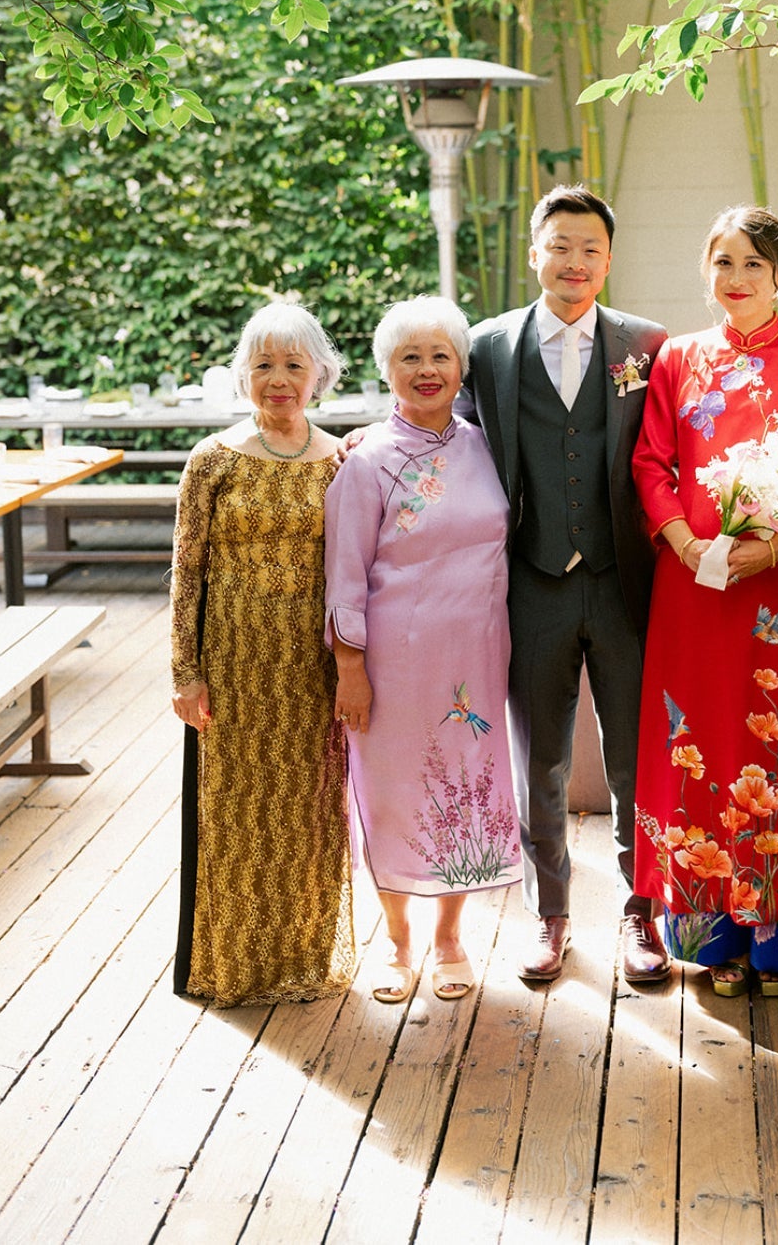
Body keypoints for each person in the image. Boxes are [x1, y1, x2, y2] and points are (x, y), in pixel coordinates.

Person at [631, 206, 778, 996]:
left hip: (776, 591)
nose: (737, 278)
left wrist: (775, 546)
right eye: (723, 262)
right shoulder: (677, 357)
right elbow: (651, 461)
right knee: (701, 738)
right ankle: (708, 935)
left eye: (753, 263)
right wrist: (684, 543)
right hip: (691, 586)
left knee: (769, 740)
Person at [464, 185, 671, 985]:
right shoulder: (486, 347)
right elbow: (444, 432)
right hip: (532, 579)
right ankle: (549, 915)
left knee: (635, 760)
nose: (575, 262)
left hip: (626, 582)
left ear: (608, 259)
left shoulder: (646, 345)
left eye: (590, 248)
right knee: (538, 757)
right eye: (560, 246)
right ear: (534, 252)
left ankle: (639, 913)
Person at [324, 296, 521, 1004]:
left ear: (462, 367)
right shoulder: (366, 462)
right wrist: (351, 668)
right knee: (393, 791)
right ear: (387, 370)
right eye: (410, 357)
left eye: (440, 355)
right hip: (393, 663)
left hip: (475, 656)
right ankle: (398, 941)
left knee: (464, 787)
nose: (427, 369)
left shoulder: (488, 445)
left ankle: (449, 938)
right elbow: (343, 576)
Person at [170, 302, 355, 1006]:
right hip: (235, 666)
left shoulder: (342, 459)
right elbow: (188, 573)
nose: (278, 380)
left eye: (293, 366)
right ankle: (234, 963)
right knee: (236, 814)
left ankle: (302, 957)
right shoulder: (212, 460)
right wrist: (185, 672)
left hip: (312, 668)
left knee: (309, 813)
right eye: (264, 366)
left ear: (318, 375)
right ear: (244, 374)